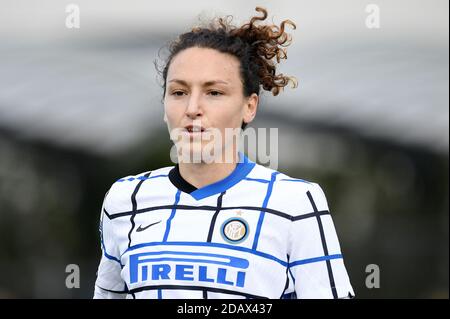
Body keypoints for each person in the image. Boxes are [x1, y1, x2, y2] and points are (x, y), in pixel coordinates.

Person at [93, 7, 355, 299]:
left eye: (214, 92)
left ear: (249, 107)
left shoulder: (295, 203)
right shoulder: (124, 199)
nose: (192, 108)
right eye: (179, 92)